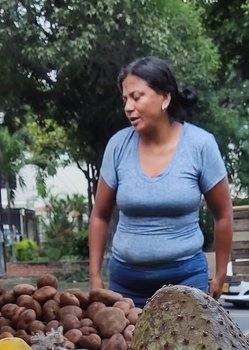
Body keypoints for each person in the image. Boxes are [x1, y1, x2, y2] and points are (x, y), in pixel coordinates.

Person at [88, 55, 232, 308]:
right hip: (126, 285)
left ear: (165, 97)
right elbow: (100, 215)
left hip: (185, 281)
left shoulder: (200, 145)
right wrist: (94, 277)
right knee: (125, 337)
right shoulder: (118, 146)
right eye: (125, 99)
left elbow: (223, 215)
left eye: (137, 97)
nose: (128, 107)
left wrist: (220, 274)